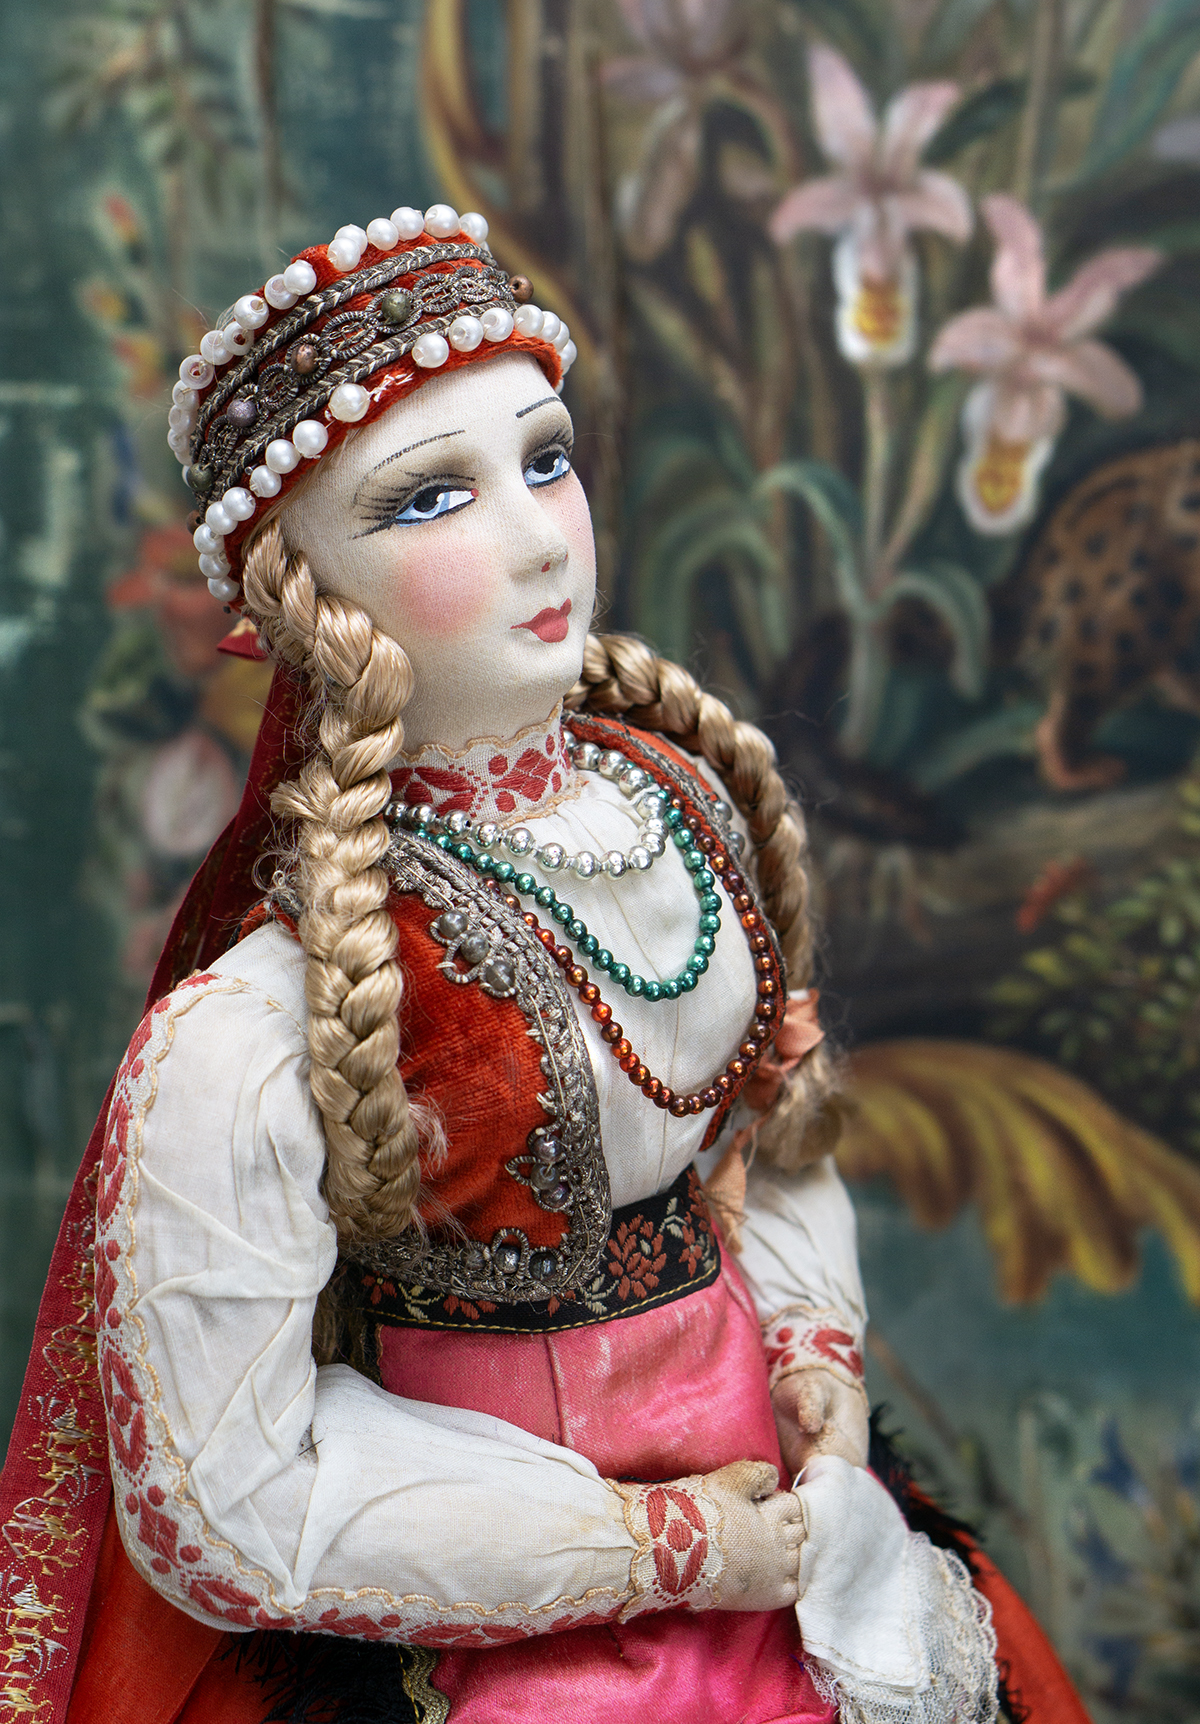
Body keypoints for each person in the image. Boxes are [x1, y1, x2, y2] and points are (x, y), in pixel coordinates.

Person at [0, 206, 1087, 1724]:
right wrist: (670, 1546)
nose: (535, 537)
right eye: (432, 496)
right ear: (301, 597)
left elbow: (767, 1137)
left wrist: (814, 1358)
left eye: (548, 459)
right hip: (491, 1600)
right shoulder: (265, 1016)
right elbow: (229, 1496)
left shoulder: (681, 817)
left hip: (789, 1514)